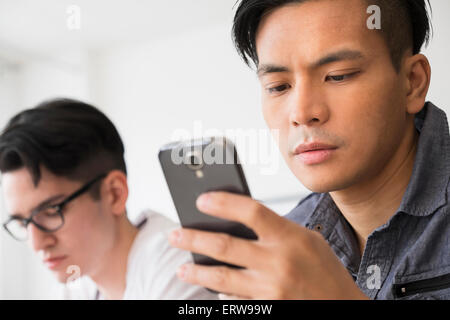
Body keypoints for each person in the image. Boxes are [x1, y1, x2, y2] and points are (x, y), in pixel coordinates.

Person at [168, 0, 450, 299]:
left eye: (338, 75)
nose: (302, 113)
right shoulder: (285, 247)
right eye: (278, 87)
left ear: (412, 83)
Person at [0, 98, 217, 300]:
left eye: (51, 211)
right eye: (22, 222)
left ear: (114, 194)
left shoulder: (181, 270)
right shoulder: (75, 284)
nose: (37, 243)